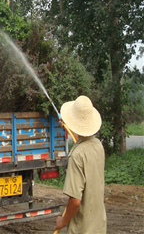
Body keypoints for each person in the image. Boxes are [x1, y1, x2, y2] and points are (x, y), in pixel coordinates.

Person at [54, 95, 107, 234]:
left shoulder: (77, 155)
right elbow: (81, 139)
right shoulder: (98, 146)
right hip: (99, 227)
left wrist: (63, 221)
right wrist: (67, 126)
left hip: (82, 229)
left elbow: (75, 201)